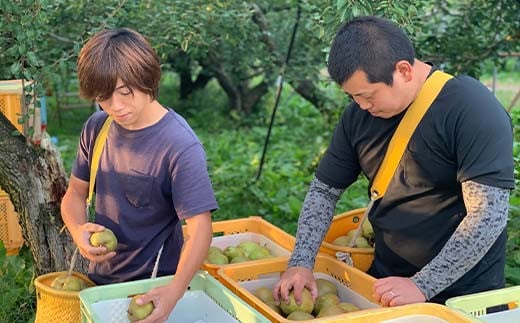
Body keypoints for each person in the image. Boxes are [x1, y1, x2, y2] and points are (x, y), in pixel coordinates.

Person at [273, 16, 514, 307]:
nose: (361, 106)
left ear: (403, 71)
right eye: (352, 97)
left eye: (367, 95)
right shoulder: (359, 116)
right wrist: (301, 262)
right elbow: (324, 191)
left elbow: (487, 217)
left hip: (462, 297)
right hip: (386, 287)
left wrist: (422, 285)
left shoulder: (470, 110)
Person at [60, 28, 217, 322]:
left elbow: (200, 229)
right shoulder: (97, 128)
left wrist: (174, 291)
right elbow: (74, 195)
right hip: (99, 286)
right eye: (104, 97)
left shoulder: (179, 144)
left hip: (152, 289)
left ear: (147, 78)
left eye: (125, 92)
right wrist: (78, 230)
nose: (116, 106)